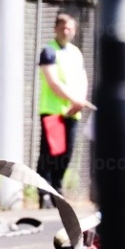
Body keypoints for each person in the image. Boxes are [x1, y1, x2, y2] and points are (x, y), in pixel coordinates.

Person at [36, 12, 94, 209]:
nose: (66, 30)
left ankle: (57, 190)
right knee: (51, 153)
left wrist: (80, 101)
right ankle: (44, 192)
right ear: (55, 29)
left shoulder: (76, 53)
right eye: (62, 27)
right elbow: (53, 82)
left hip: (72, 112)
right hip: (53, 111)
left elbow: (82, 78)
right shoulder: (49, 52)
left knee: (66, 154)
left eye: (69, 27)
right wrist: (74, 99)